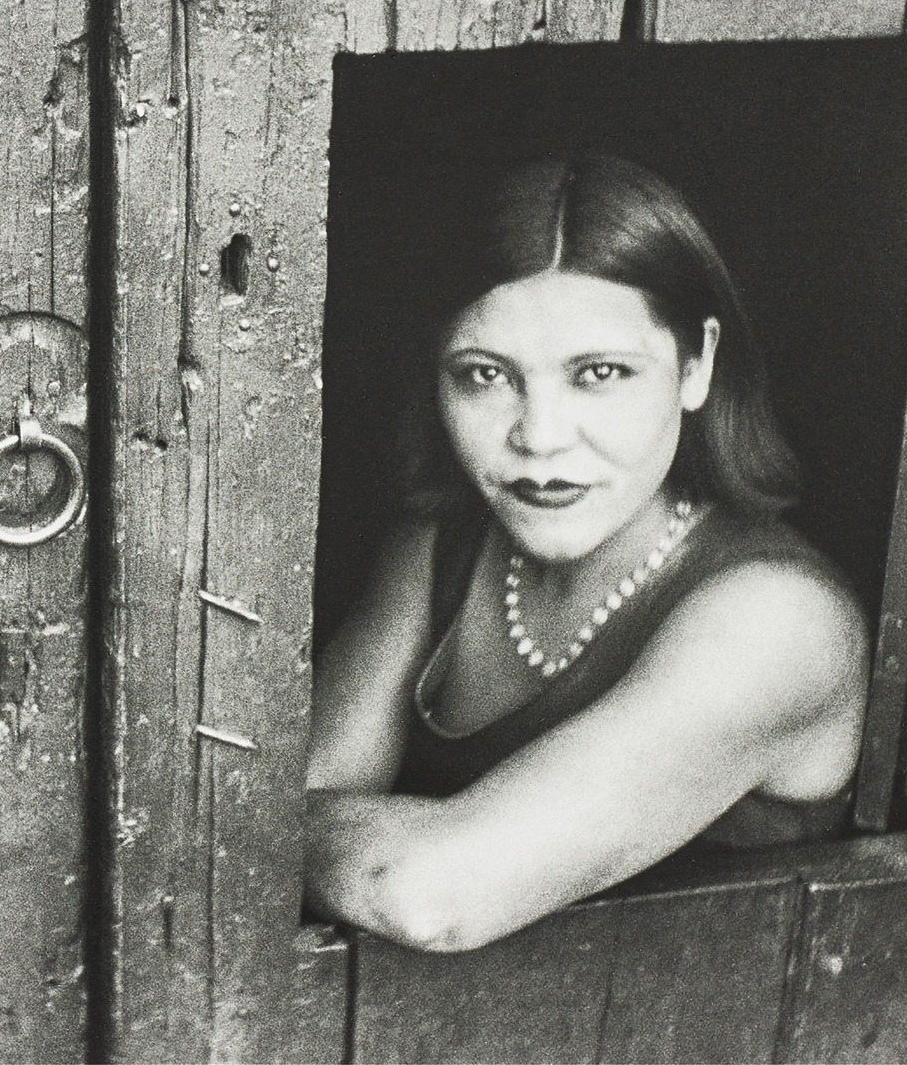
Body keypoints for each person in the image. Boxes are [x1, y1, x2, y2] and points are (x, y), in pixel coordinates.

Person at [304, 153, 868, 954]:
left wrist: (314, 832)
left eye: (598, 373)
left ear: (697, 364)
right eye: (484, 375)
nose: (538, 437)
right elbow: (275, 817)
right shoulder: (438, 551)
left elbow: (429, 894)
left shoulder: (780, 624)